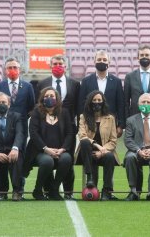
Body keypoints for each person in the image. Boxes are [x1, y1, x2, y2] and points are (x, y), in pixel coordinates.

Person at [36, 54, 80, 199]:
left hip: (68, 128)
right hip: (47, 129)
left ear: (65, 66)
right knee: (48, 159)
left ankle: (68, 191)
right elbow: (38, 105)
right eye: (55, 64)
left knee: (67, 160)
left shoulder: (74, 84)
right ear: (50, 66)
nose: (58, 66)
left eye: (60, 64)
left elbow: (78, 106)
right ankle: (48, 189)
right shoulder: (42, 84)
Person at [0, 57, 35, 198]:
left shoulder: (28, 86)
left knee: (18, 158)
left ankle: (19, 190)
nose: (12, 70)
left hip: (20, 129)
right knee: (3, 157)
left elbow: (31, 107)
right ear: (5, 71)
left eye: (15, 67)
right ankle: (2, 191)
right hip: (2, 128)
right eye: (9, 68)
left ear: (20, 70)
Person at [23, 87, 74, 200]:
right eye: (46, 96)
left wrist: (62, 149)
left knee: (66, 159)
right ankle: (37, 190)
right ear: (42, 99)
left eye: (52, 96)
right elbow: (33, 133)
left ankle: (54, 190)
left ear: (57, 98)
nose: (49, 98)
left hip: (60, 150)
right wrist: (46, 149)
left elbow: (70, 133)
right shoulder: (36, 112)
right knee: (47, 161)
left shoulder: (64, 112)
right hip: (40, 151)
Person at [75, 90, 120, 200]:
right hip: (86, 153)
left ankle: (107, 190)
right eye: (94, 100)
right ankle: (90, 179)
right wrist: (97, 145)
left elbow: (113, 141)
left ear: (103, 102)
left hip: (104, 153)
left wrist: (102, 151)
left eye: (99, 100)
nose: (97, 102)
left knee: (109, 156)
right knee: (85, 142)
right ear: (90, 102)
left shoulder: (110, 118)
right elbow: (82, 136)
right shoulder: (83, 117)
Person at [78, 50, 125, 138]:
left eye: (104, 60)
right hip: (90, 122)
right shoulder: (86, 81)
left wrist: (121, 125)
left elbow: (121, 104)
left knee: (108, 150)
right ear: (94, 62)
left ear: (109, 63)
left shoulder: (116, 81)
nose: (102, 62)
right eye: (99, 59)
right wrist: (81, 124)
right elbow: (81, 104)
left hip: (110, 123)